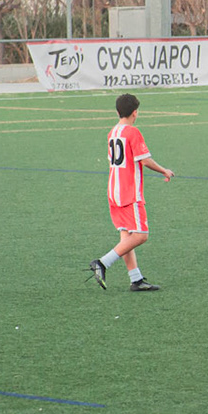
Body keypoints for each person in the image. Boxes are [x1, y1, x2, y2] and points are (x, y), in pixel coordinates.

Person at [91, 92, 172, 292]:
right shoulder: (132, 133)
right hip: (129, 192)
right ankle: (102, 263)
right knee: (141, 235)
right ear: (135, 112)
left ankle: (135, 279)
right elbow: (144, 160)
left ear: (117, 112)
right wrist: (164, 170)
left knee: (126, 236)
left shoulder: (112, 132)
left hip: (113, 190)